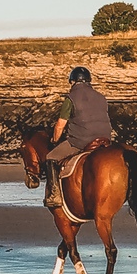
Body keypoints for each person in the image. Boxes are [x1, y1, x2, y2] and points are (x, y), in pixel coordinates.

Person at [43, 66, 112, 209]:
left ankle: (54, 195)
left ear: (73, 81)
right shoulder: (101, 97)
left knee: (50, 158)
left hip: (81, 140)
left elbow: (60, 126)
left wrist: (54, 140)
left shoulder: (71, 99)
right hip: (105, 139)